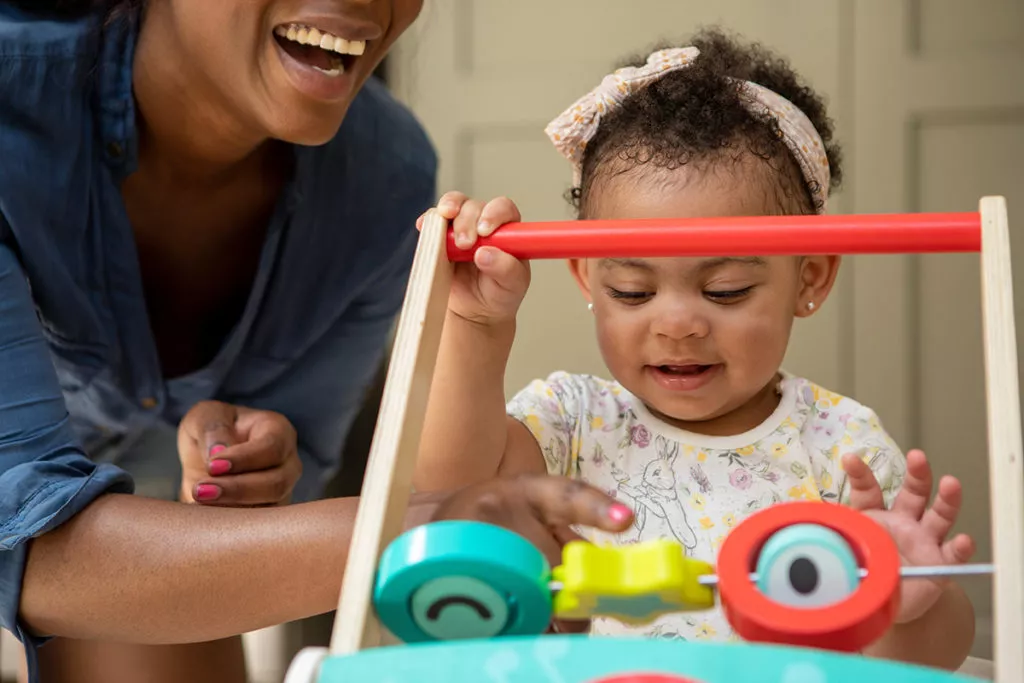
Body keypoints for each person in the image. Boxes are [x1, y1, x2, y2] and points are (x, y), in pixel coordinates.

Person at [0, 1, 633, 682]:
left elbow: (279, 514)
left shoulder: (386, 180)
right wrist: (439, 525)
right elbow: (33, 549)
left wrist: (264, 464)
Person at [414, 29, 977, 670]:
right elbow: (445, 495)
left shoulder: (842, 450)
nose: (677, 325)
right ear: (586, 280)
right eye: (632, 290)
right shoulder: (569, 421)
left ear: (810, 277)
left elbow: (931, 658)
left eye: (726, 290)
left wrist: (909, 602)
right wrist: (477, 325)